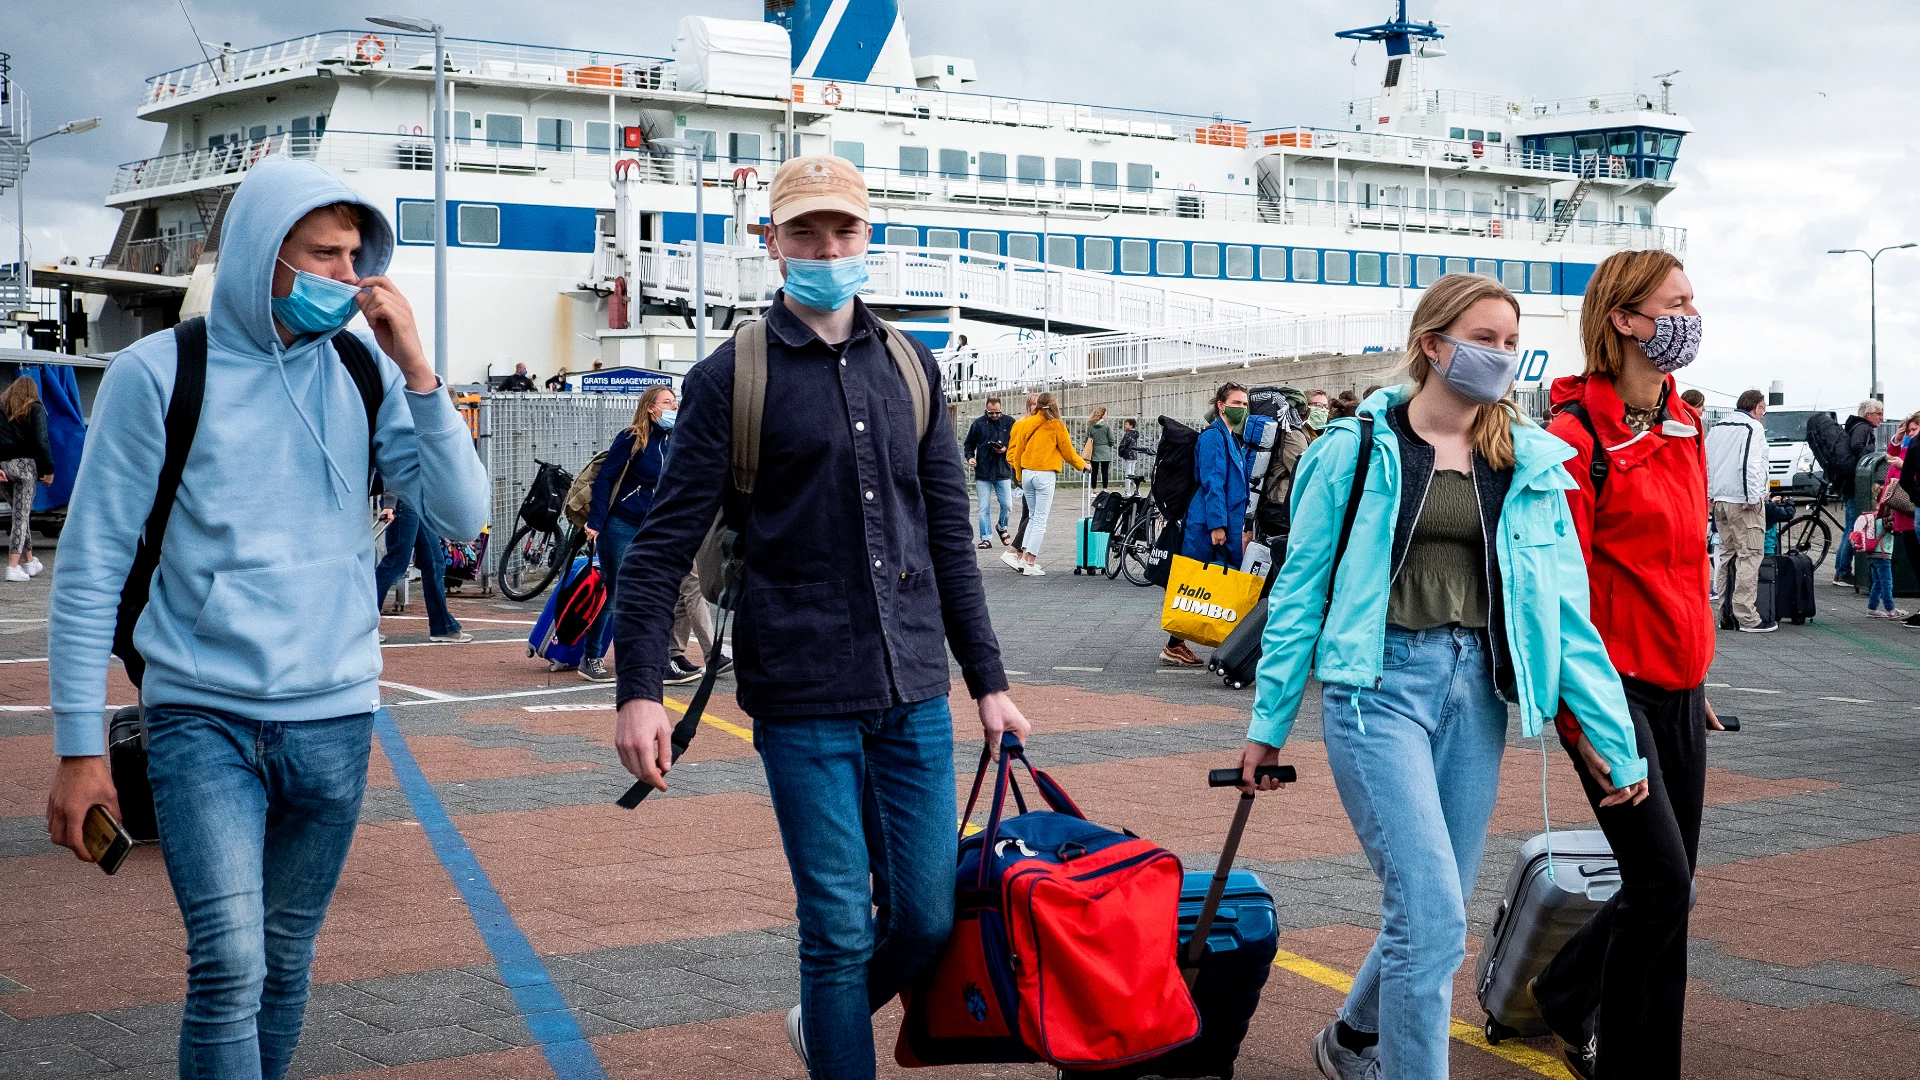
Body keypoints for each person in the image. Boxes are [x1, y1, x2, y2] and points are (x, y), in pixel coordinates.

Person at [44, 156, 488, 1080]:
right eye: (323, 256)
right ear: (261, 256)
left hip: (335, 717)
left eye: (356, 256)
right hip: (201, 714)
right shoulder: (158, 375)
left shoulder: (363, 374)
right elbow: (88, 572)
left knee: (286, 963)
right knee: (231, 963)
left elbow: (463, 516)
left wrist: (417, 367)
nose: (349, 278)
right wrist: (80, 749)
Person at [606, 155, 1029, 1080]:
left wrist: (989, 683)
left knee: (922, 915)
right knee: (837, 929)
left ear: (867, 238)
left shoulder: (915, 368)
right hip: (802, 696)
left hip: (915, 691)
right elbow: (660, 549)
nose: (825, 249)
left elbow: (950, 540)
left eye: (842, 231)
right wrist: (639, 691)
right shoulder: (732, 379)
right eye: (804, 233)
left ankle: (824, 1019)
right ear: (773, 244)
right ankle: (838, 1035)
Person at [1237, 274, 1644, 1080]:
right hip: (1376, 689)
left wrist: (1613, 740)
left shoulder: (1527, 462)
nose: (1502, 355)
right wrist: (1267, 724)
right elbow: (1299, 592)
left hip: (1476, 696)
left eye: (1509, 341)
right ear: (1432, 344)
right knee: (1428, 921)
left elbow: (1567, 614)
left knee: (1437, 913)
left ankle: (1354, 1038)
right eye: (1484, 338)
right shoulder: (1353, 450)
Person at [1536, 248, 1713, 1080]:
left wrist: (1696, 672)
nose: (1689, 315)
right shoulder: (1574, 440)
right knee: (1661, 889)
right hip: (1609, 695)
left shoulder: (1685, 422)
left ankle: (1566, 993)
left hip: (1680, 688)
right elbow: (1559, 599)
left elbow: (1680, 564)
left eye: (1690, 299)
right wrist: (1586, 724)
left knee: (1667, 893)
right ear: (1625, 320)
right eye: (1673, 302)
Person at [578, 385, 678, 682]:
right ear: (651, 408)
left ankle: (653, 660)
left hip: (655, 527)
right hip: (621, 524)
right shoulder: (632, 438)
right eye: (667, 403)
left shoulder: (674, 441)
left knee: (654, 594)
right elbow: (606, 478)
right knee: (615, 592)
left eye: (675, 402)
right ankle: (592, 657)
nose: (674, 408)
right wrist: (596, 521)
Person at [1163, 382, 1251, 668]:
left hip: (1222, 519)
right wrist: (1217, 525)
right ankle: (1176, 644)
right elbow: (1213, 482)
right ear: (1221, 406)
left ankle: (1184, 643)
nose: (1242, 408)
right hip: (1209, 521)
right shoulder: (1214, 438)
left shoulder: (1229, 437)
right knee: (1196, 584)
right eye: (1237, 403)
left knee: (1209, 581)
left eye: (1245, 404)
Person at [1704, 389, 1774, 632]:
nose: (1764, 414)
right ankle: (1747, 616)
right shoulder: (1752, 429)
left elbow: (1707, 462)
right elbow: (1751, 464)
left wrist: (1710, 494)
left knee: (1726, 555)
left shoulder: (1717, 428)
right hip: (1743, 501)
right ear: (1755, 407)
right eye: (1763, 408)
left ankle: (1725, 614)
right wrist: (1753, 496)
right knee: (1750, 555)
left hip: (1721, 499)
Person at [1004, 390, 1086, 577]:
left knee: (1032, 517)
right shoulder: (1056, 425)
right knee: (1040, 519)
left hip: (1026, 473)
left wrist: (1018, 474)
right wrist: (1083, 465)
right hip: (1044, 475)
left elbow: (1017, 453)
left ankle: (1024, 558)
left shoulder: (1026, 423)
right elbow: (1068, 452)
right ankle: (1030, 561)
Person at [374, 494, 472, 643]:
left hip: (416, 501)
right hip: (404, 499)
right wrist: (389, 502)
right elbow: (394, 471)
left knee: (434, 562)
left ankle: (443, 626)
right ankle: (364, 626)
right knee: (396, 563)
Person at [0, 375, 54, 581]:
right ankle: (13, 566)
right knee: (20, 517)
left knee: (19, 516)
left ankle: (30, 561)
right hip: (25, 467)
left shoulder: (1, 408)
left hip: (4, 468)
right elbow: (42, 440)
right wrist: (48, 470)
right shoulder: (35, 408)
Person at [1832, 399, 1886, 586]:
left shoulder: (1855, 425)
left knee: (1849, 527)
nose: (1881, 417)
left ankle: (1841, 570)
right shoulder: (1863, 428)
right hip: (1854, 485)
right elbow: (1857, 447)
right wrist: (1870, 453)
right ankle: (1843, 571)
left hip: (1847, 484)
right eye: (1878, 413)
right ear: (1868, 414)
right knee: (1853, 527)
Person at [963, 394, 1016, 549]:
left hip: (1003, 469)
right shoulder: (978, 424)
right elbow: (969, 444)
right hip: (983, 471)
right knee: (983, 507)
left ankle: (1002, 526)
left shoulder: (1009, 422)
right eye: (991, 412)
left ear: (1001, 410)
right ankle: (985, 537)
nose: (994, 415)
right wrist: (970, 457)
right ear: (986, 409)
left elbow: (1016, 443)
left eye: (997, 413)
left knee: (1007, 504)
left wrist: (1006, 449)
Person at [1084, 405, 1117, 489]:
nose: (1107, 416)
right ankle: (1105, 489)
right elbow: (1112, 439)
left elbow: (1087, 438)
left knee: (1094, 471)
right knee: (1104, 471)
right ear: (1102, 415)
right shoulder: (1106, 426)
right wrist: (1109, 445)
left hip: (1094, 450)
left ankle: (1093, 489)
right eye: (1106, 414)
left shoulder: (1091, 426)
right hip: (1105, 450)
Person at [1117, 416, 1144, 496]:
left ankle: (1127, 491)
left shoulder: (1128, 434)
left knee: (1128, 474)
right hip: (1134, 454)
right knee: (1132, 473)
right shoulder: (1135, 434)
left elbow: (1123, 444)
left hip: (1128, 455)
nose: (1125, 426)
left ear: (1131, 425)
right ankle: (1137, 490)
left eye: (1126, 424)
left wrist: (1121, 452)